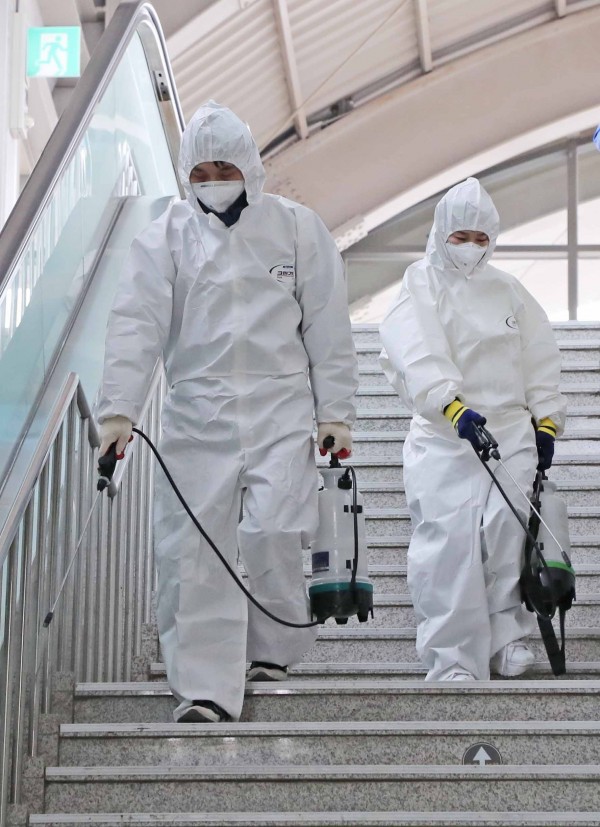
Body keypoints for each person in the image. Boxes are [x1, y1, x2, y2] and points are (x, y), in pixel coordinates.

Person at [97, 100, 358, 722]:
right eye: (201, 172)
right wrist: (118, 411)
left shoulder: (296, 228)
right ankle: (205, 689)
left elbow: (327, 323)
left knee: (273, 531)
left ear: (249, 166)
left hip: (281, 407)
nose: (213, 181)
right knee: (194, 550)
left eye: (224, 168)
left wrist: (335, 412)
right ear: (185, 173)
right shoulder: (165, 235)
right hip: (198, 413)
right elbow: (136, 322)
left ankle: (274, 647)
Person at [379, 177, 566, 681]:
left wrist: (547, 419)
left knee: (508, 531)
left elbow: (538, 356)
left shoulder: (509, 290)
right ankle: (452, 657)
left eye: (481, 238)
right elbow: (415, 350)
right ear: (442, 234)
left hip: (509, 432)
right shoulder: (420, 282)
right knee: (449, 547)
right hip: (445, 437)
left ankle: (505, 638)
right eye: (460, 237)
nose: (470, 247)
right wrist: (452, 406)